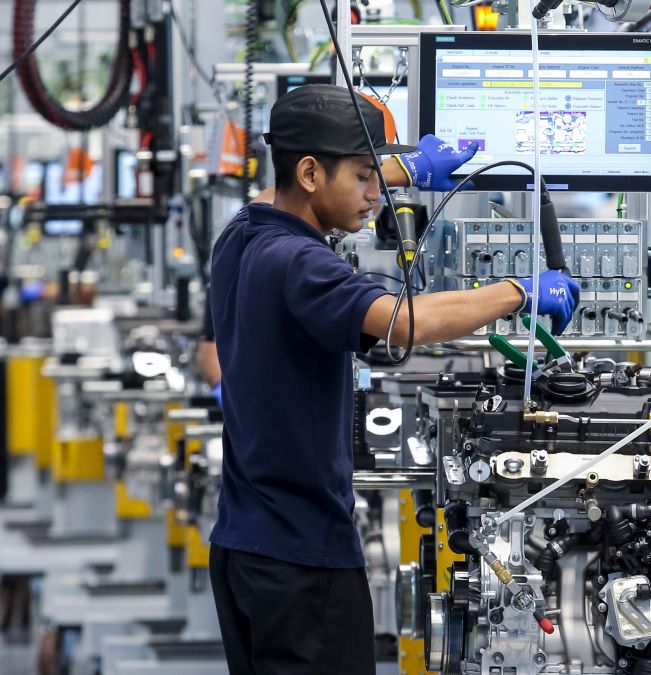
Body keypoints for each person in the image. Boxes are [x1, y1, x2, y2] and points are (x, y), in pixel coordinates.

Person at [206, 84, 580, 674]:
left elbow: (276, 186)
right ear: (309, 172)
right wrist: (518, 291)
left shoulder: (245, 232)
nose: (376, 195)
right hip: (303, 563)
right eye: (362, 178)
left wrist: (405, 167)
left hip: (244, 548)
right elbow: (404, 322)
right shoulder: (300, 263)